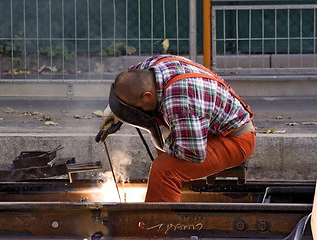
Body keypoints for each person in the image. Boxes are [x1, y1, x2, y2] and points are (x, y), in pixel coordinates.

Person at [100, 55, 255, 202]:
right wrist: (117, 111)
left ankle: (158, 226)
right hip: (205, 124)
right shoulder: (153, 66)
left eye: (139, 106)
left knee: (164, 170)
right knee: (163, 144)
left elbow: (193, 153)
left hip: (235, 138)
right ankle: (169, 196)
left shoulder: (180, 102)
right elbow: (129, 79)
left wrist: (160, 132)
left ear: (147, 96)